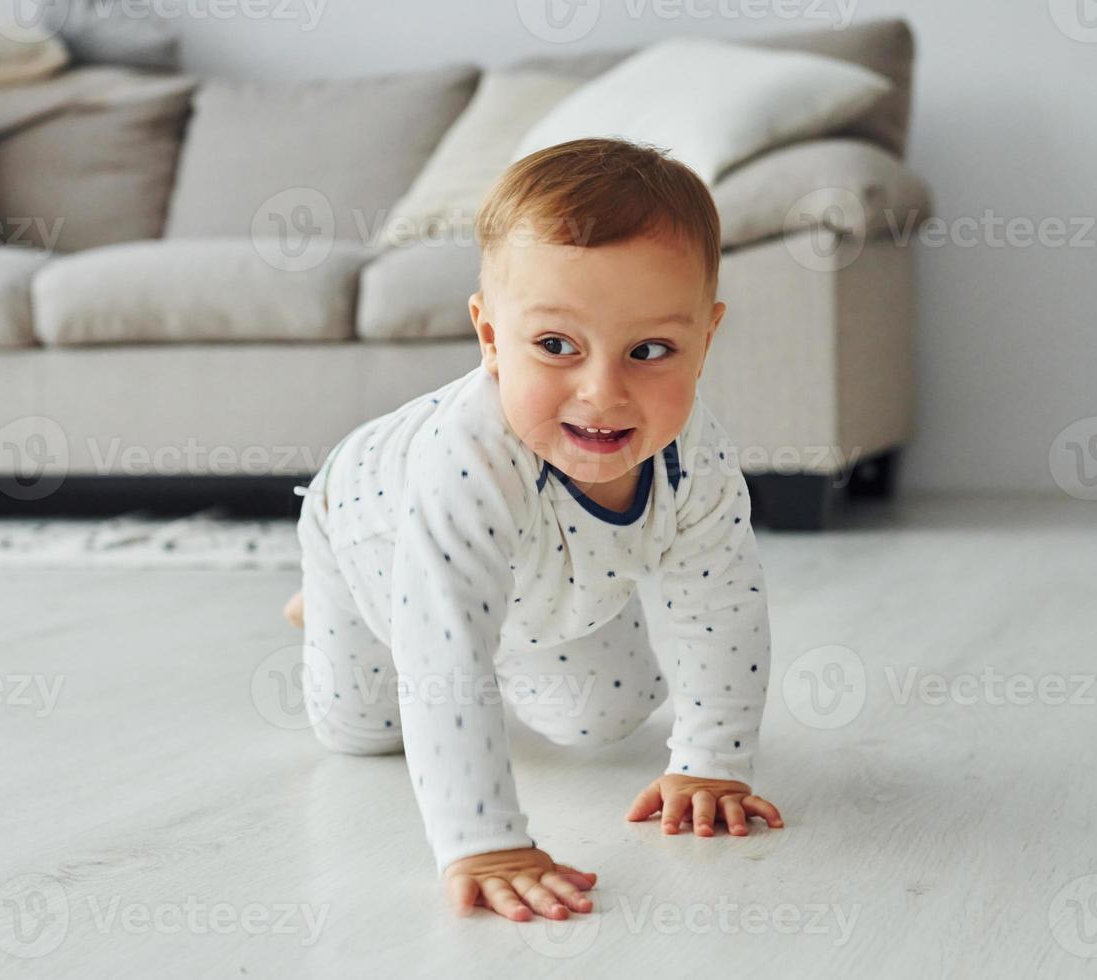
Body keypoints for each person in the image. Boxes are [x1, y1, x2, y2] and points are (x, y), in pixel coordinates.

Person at [286, 137, 784, 923]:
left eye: (650, 351)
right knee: (364, 728)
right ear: (490, 337)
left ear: (706, 337)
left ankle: (478, 606)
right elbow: (446, 658)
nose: (602, 392)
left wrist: (713, 763)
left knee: (607, 715)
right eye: (556, 347)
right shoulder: (469, 461)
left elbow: (722, 604)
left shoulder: (698, 455)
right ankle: (337, 600)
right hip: (368, 530)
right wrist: (484, 842)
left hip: (539, 576)